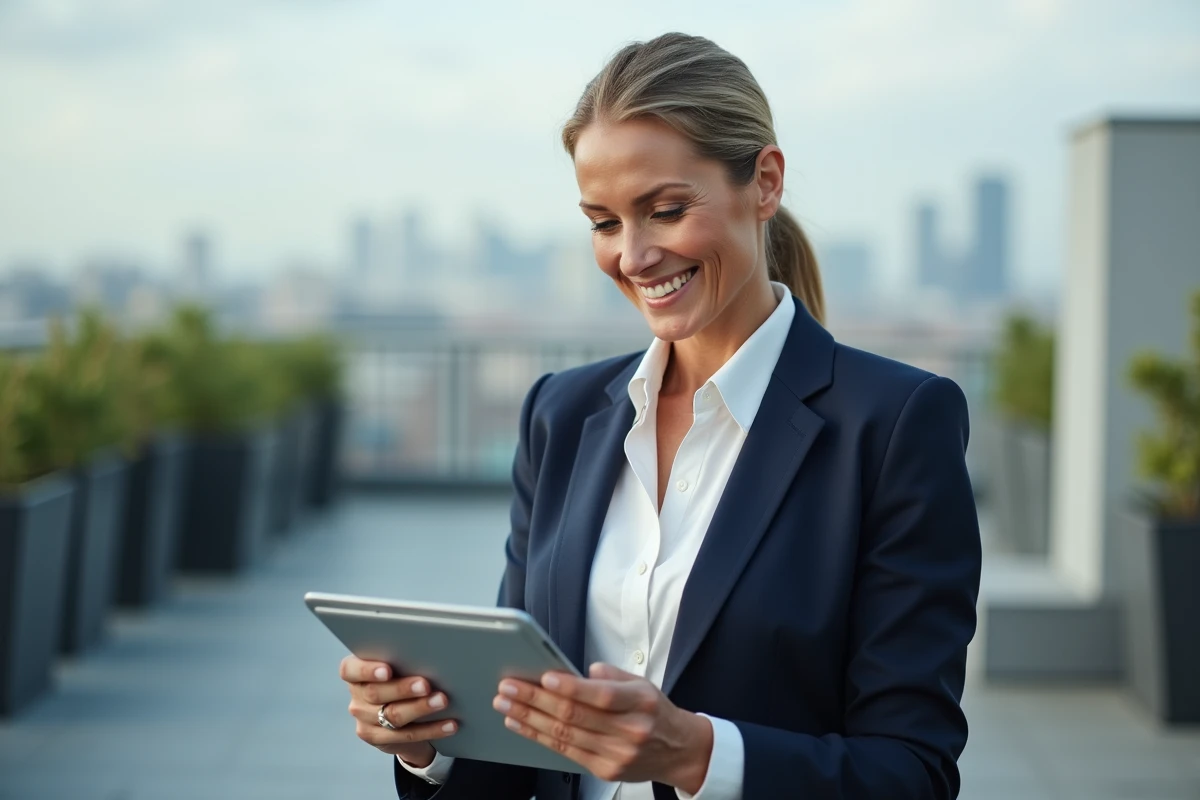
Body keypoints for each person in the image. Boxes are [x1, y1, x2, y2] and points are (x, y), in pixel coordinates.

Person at [340, 32, 981, 800]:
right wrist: (432, 742)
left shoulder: (894, 426)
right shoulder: (562, 415)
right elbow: (523, 731)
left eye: (666, 210)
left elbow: (912, 773)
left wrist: (699, 755)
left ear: (765, 182)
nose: (634, 256)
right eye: (604, 222)